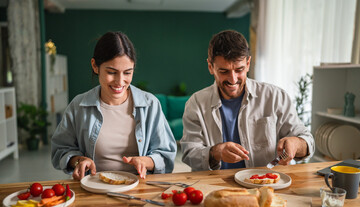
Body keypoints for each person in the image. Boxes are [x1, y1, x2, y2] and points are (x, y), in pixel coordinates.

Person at [180, 30, 314, 171]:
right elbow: (189, 153)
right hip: (214, 185)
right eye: (224, 71)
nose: (233, 79)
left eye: (239, 69)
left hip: (264, 183)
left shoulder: (275, 97)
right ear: (210, 67)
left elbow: (307, 141)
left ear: (248, 63)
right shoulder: (195, 104)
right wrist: (216, 152)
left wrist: (296, 144)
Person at [52, 31, 176, 180]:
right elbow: (60, 149)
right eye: (112, 72)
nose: (120, 81)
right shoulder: (78, 106)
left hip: (139, 187)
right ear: (95, 66)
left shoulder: (150, 105)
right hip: (93, 187)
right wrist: (78, 160)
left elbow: (166, 155)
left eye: (127, 73)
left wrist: (146, 161)